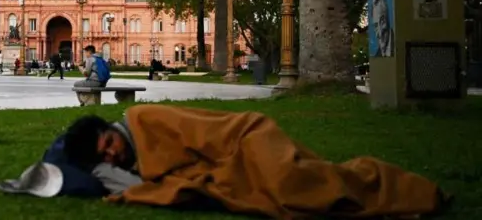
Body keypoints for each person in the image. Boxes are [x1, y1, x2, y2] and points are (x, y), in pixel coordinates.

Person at [61, 105, 450, 218]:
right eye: (104, 157)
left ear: (111, 129)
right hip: (229, 164)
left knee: (289, 183)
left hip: (247, 137)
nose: (112, 153)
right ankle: (375, 194)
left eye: (108, 143)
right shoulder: (127, 159)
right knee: (273, 198)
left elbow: (209, 136)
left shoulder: (144, 119)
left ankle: (395, 187)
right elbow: (176, 172)